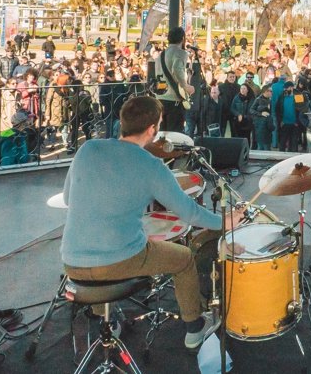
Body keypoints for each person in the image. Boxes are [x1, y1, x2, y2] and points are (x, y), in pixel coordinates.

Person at [61, 96, 231, 350]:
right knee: (184, 258)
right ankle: (195, 328)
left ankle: (107, 321)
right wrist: (225, 221)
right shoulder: (152, 166)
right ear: (152, 129)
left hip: (72, 262)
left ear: (122, 122)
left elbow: (67, 198)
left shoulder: (88, 149)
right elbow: (191, 213)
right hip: (117, 260)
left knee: (113, 246)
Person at [154, 27, 194, 133]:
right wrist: (186, 86)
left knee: (162, 134)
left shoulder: (161, 55)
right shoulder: (180, 53)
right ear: (182, 38)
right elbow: (177, 69)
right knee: (174, 135)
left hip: (160, 98)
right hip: (174, 99)